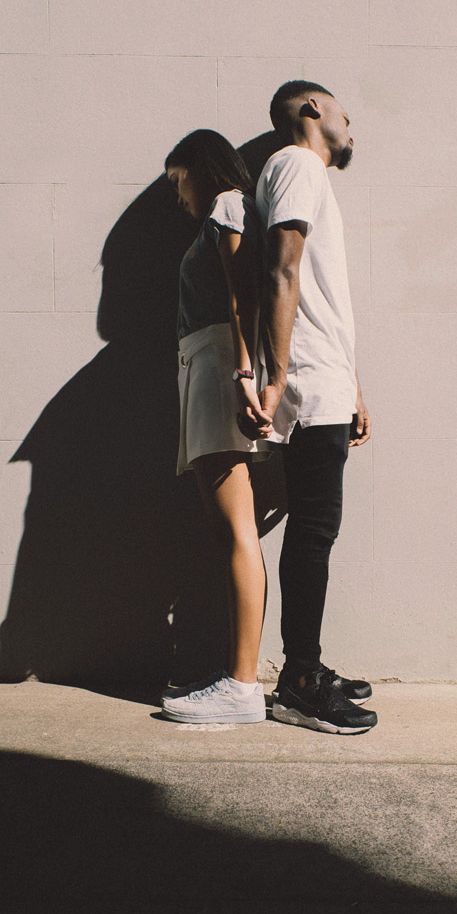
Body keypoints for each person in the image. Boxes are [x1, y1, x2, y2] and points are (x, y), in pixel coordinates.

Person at [253, 81, 378, 735]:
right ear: (311, 111)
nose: (350, 126)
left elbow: (320, 294)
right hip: (304, 376)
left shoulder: (304, 175)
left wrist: (350, 383)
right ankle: (300, 680)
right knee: (314, 527)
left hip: (322, 375)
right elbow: (281, 269)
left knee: (314, 526)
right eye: (343, 113)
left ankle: (305, 667)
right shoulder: (298, 164)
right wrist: (276, 379)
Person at [159, 129, 272, 724]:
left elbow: (243, 292)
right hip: (209, 368)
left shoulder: (228, 203)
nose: (177, 198)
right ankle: (240, 676)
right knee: (232, 528)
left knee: (235, 530)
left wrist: (243, 374)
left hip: (219, 367)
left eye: (178, 181)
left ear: (199, 169)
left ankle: (242, 686)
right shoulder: (226, 209)